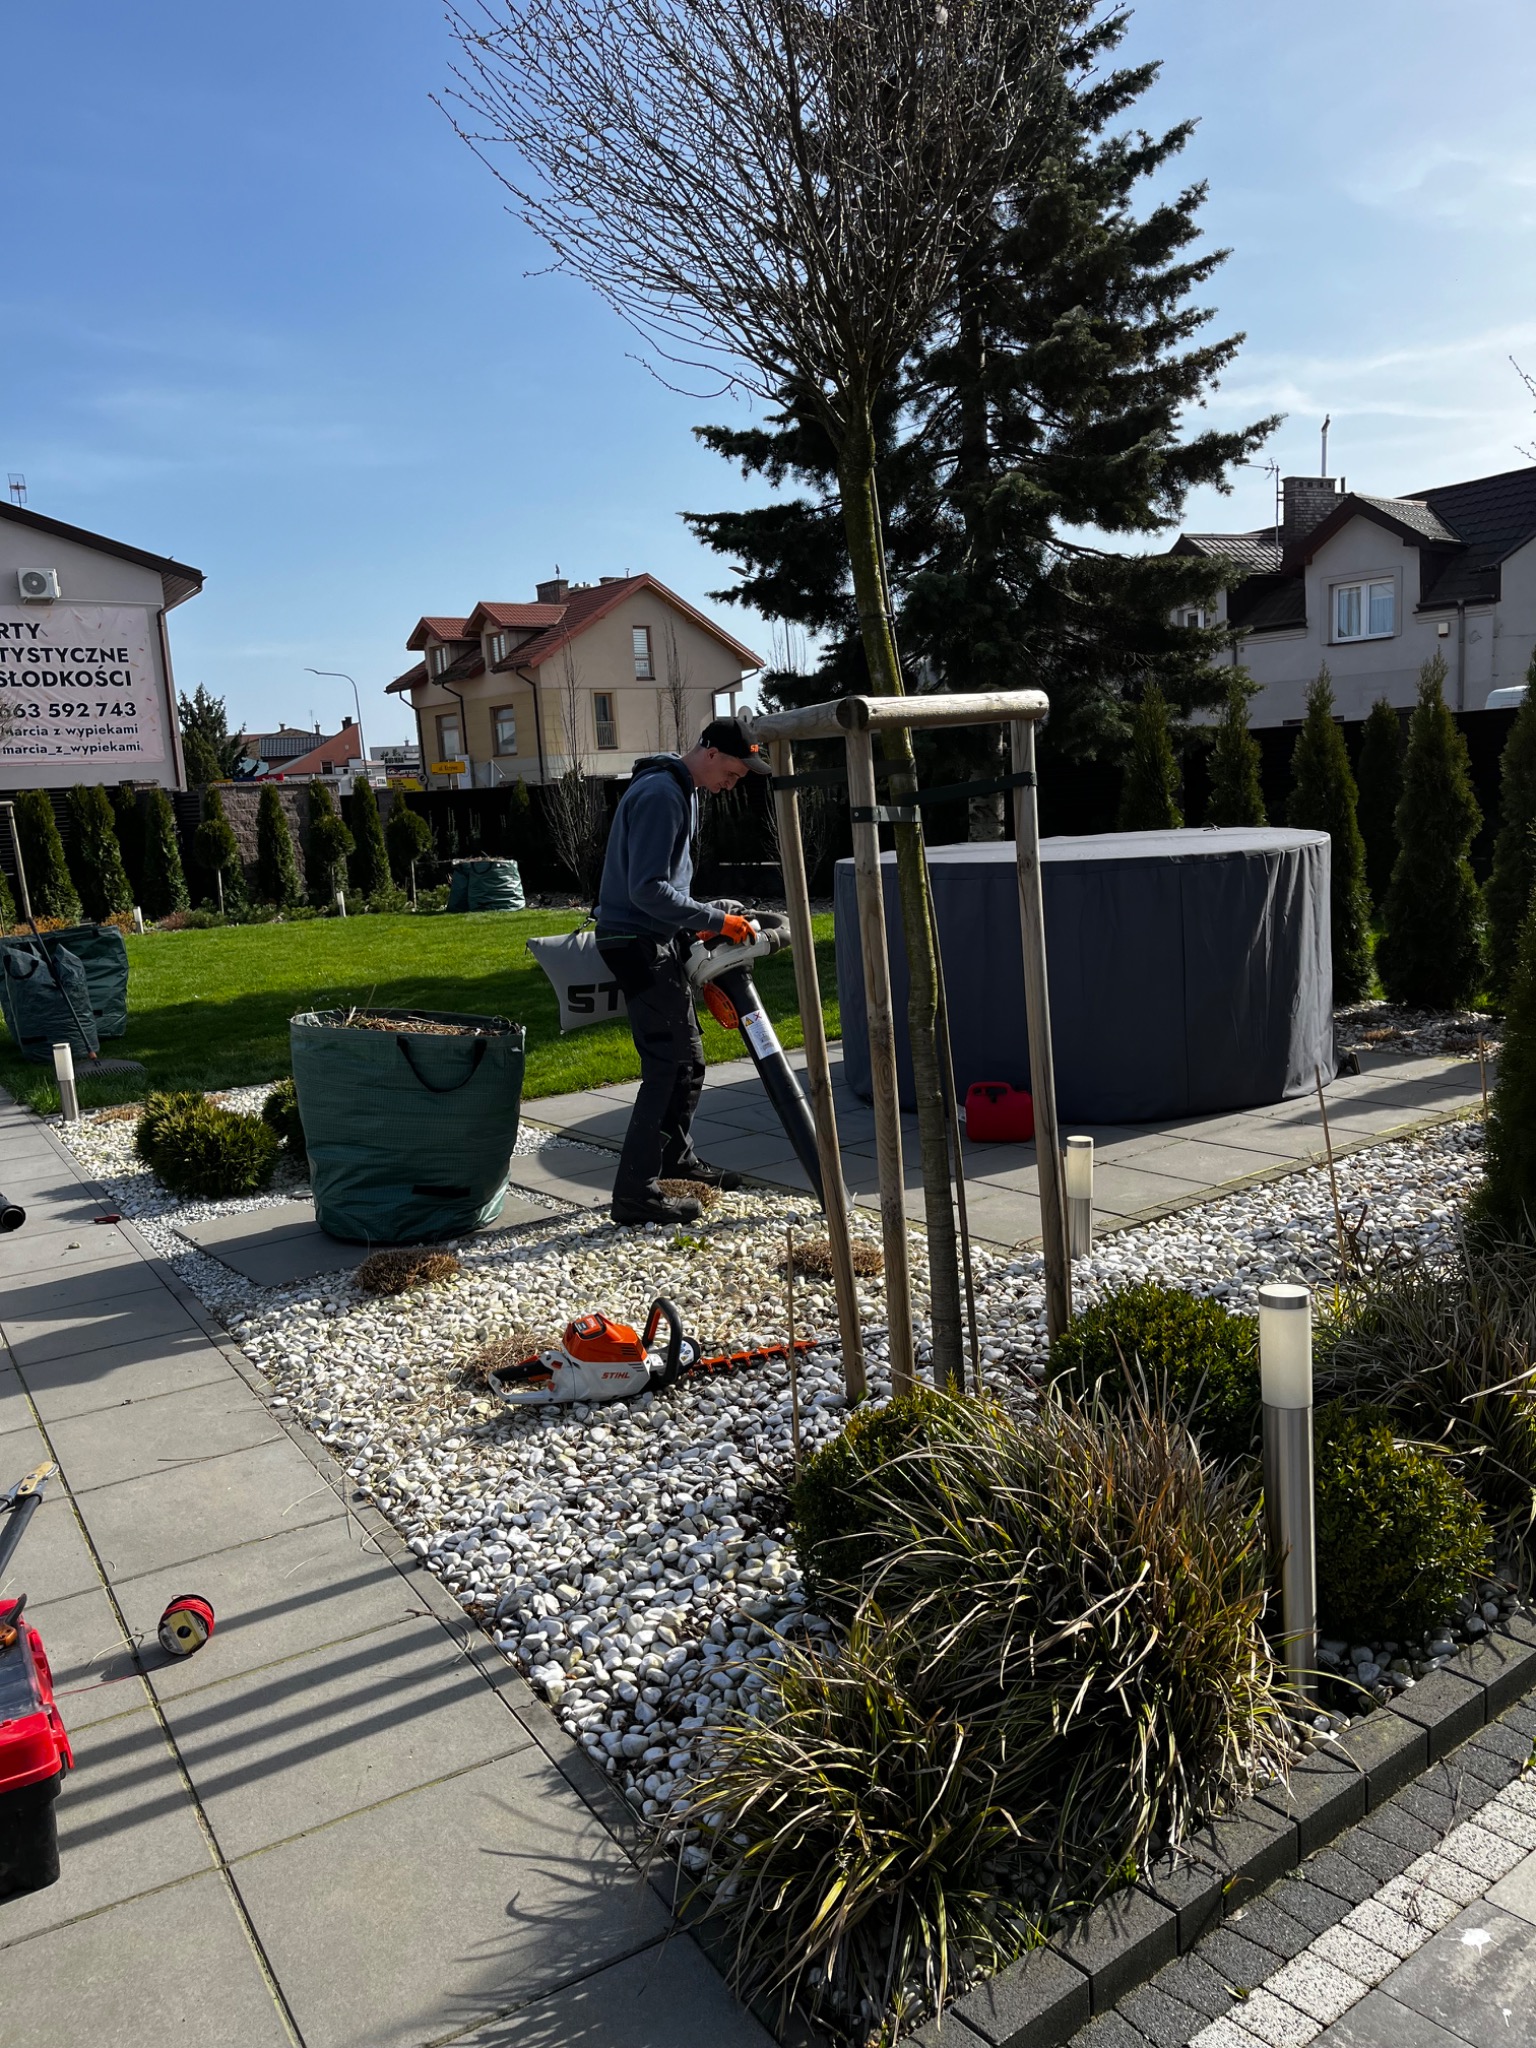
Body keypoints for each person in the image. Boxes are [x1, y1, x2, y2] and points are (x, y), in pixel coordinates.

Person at [596, 717, 770, 1225]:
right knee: (667, 1065)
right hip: (634, 941)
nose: (731, 785)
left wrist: (707, 912)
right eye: (733, 773)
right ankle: (635, 1194)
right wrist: (716, 921)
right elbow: (647, 890)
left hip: (653, 937)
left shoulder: (685, 790)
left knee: (689, 1059)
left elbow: (668, 886)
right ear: (711, 753)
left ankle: (676, 1160)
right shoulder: (662, 794)